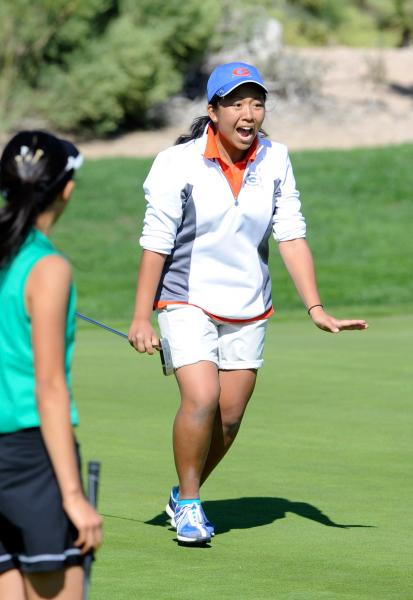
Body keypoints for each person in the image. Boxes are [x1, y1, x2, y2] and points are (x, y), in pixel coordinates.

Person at [128, 62, 367, 545]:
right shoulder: (177, 164)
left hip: (248, 305)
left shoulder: (275, 159)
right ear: (212, 111)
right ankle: (192, 507)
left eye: (257, 102)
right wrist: (140, 316)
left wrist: (316, 308)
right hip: (185, 298)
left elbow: (292, 235)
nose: (249, 113)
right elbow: (156, 242)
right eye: (236, 102)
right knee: (202, 397)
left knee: (230, 418)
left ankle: (182, 493)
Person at [0, 131, 103, 599]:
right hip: (28, 452)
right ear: (67, 189)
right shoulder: (48, 267)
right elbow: (49, 387)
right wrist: (73, 496)